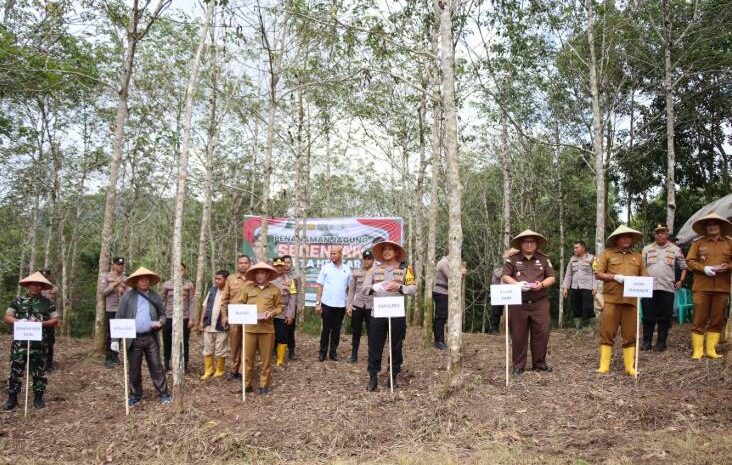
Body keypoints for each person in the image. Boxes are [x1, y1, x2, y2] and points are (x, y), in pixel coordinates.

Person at [363, 240, 416, 391]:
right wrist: (374, 287)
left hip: (396, 312)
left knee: (396, 345)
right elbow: (364, 289)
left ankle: (393, 376)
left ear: (396, 252)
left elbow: (413, 289)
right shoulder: (373, 270)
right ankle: (373, 376)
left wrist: (400, 287)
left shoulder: (406, 269)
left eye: (390, 249)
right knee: (375, 345)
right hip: (378, 312)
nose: (386, 252)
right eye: (384, 250)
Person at [114, 267, 171, 406]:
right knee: (134, 368)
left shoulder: (155, 295)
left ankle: (164, 393)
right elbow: (119, 317)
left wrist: (161, 322)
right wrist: (115, 340)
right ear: (136, 281)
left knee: (156, 366)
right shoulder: (128, 296)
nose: (144, 281)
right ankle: (135, 395)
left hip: (151, 337)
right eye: (141, 279)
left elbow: (163, 314)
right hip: (133, 338)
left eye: (146, 279)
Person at [502, 230, 556, 376]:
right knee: (518, 334)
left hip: (540, 302)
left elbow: (552, 277)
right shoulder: (513, 259)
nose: (530, 244)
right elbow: (505, 275)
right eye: (526, 241)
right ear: (521, 243)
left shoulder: (544, 259)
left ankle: (540, 363)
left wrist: (542, 284)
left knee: (542, 333)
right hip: (518, 302)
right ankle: (518, 366)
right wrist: (517, 284)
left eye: (532, 241)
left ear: (536, 244)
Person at [594, 225, 647, 376]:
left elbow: (645, 275)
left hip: (631, 300)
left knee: (630, 334)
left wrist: (639, 281)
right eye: (623, 237)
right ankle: (604, 366)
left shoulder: (638, 256)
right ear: (617, 239)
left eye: (628, 237)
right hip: (611, 300)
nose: (626, 239)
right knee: (607, 332)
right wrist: (614, 277)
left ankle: (629, 367)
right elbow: (598, 273)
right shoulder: (607, 254)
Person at [3, 272, 59, 410]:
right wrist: (19, 321)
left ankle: (38, 397)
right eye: (32, 284)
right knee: (15, 370)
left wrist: (41, 324)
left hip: (39, 343)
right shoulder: (17, 301)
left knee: (39, 371)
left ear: (42, 287)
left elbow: (55, 320)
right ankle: (12, 398)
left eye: (38, 285)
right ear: (28, 285)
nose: (35, 287)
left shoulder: (48, 303)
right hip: (19, 344)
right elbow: (7, 317)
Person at [685, 212, 732, 359]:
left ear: (721, 227)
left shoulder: (729, 242)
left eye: (715, 224)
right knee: (699, 318)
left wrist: (728, 267)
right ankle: (698, 350)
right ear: (705, 228)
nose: (712, 227)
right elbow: (690, 261)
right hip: (702, 286)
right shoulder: (698, 243)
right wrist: (703, 268)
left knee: (717, 318)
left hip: (722, 287)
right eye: (709, 225)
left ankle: (712, 350)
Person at [232, 261, 283, 394]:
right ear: (254, 275)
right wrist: (244, 312)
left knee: (265, 359)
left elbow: (280, 306)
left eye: (263, 273)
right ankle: (246, 385)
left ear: (267, 274)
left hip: (267, 329)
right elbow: (240, 303)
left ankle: (264, 385)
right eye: (258, 273)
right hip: (250, 329)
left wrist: (272, 313)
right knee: (247, 358)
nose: (260, 275)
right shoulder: (247, 288)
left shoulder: (274, 290)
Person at [640, 224, 688, 352]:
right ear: (654, 235)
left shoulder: (675, 249)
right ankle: (646, 342)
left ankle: (661, 343)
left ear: (667, 234)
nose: (660, 234)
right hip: (648, 287)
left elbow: (684, 266)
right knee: (648, 316)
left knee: (664, 316)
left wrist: (681, 280)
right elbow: (641, 267)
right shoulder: (646, 249)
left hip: (667, 287)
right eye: (657, 232)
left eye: (663, 232)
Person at [315, 246, 352, 362]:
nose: (332, 256)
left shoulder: (347, 269)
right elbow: (320, 286)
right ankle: (322, 353)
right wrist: (318, 303)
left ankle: (333, 352)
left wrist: (348, 304)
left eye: (334, 253)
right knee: (326, 330)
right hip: (327, 304)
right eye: (330, 253)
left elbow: (349, 289)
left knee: (336, 331)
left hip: (341, 305)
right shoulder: (325, 268)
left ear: (341, 254)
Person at [219, 254, 252, 380]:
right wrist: (224, 316)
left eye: (245, 263)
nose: (243, 265)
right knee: (235, 344)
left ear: (249, 264)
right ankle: (234, 370)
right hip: (235, 316)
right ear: (237, 265)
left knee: (247, 344)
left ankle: (244, 370)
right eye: (240, 263)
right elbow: (224, 299)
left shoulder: (253, 279)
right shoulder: (231, 279)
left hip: (249, 316)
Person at [161, 263, 195, 372]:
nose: (179, 272)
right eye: (177, 270)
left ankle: (184, 364)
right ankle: (166, 362)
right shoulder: (167, 284)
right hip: (169, 316)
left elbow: (192, 302)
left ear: (184, 271)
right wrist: (160, 316)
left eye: (181, 270)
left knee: (184, 341)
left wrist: (191, 318)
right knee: (167, 340)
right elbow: (161, 300)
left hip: (184, 317)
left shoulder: (189, 285)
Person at [198, 270, 230, 380]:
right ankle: (208, 369)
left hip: (221, 325)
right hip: (208, 324)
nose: (216, 281)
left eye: (219, 279)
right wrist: (201, 322)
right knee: (208, 347)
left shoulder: (229, 292)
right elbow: (205, 306)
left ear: (226, 280)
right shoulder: (212, 290)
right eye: (216, 278)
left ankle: (220, 369)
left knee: (221, 348)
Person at [432, 255, 468, 349]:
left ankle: (440, 340)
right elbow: (451, 277)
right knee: (440, 317)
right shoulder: (443, 263)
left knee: (442, 317)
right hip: (441, 292)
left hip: (447, 293)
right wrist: (461, 272)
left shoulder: (451, 264)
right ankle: (439, 341)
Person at [562, 241, 597, 332]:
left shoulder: (592, 258)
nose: (575, 249)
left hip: (587, 286)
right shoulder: (572, 259)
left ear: (583, 248)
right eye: (574, 248)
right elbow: (568, 274)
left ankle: (592, 329)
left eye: (577, 247)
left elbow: (595, 274)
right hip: (575, 286)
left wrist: (594, 287)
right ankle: (578, 329)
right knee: (576, 307)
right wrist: (565, 287)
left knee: (588, 307)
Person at [347, 250, 375, 362]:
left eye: (369, 258)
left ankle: (372, 355)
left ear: (373, 260)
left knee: (372, 331)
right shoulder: (356, 272)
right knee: (356, 331)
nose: (367, 261)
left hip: (371, 306)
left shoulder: (377, 272)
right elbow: (351, 290)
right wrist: (349, 305)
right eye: (365, 258)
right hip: (357, 305)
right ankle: (354, 354)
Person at [100, 257, 127, 368]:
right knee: (111, 335)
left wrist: (123, 289)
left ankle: (115, 356)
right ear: (113, 265)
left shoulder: (126, 278)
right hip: (111, 309)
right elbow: (103, 292)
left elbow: (130, 293)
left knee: (119, 334)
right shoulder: (106, 277)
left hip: (123, 310)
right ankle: (108, 358)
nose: (120, 266)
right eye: (118, 264)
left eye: (122, 264)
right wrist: (114, 285)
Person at [272, 257, 297, 367]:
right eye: (276, 266)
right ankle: (269, 354)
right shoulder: (268, 280)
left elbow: (293, 298)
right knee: (270, 336)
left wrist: (290, 314)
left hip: (283, 312)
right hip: (270, 312)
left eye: (281, 266)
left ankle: (280, 359)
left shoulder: (290, 281)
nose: (279, 268)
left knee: (282, 336)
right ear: (273, 266)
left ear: (284, 267)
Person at [282, 255, 303, 359]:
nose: (286, 264)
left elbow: (299, 292)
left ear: (291, 263)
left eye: (288, 262)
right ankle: (276, 351)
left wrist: (299, 305)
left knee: (290, 329)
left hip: (291, 306)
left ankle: (291, 351)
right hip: (279, 307)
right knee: (278, 329)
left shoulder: (296, 276)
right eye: (284, 262)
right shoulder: (276, 275)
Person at [40, 268, 59, 372]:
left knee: (50, 341)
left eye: (46, 276)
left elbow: (55, 304)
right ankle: (38, 363)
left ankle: (49, 364)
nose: (45, 278)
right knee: (37, 341)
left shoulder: (54, 288)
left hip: (50, 317)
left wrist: (57, 318)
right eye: (43, 276)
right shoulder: (35, 288)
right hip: (37, 318)